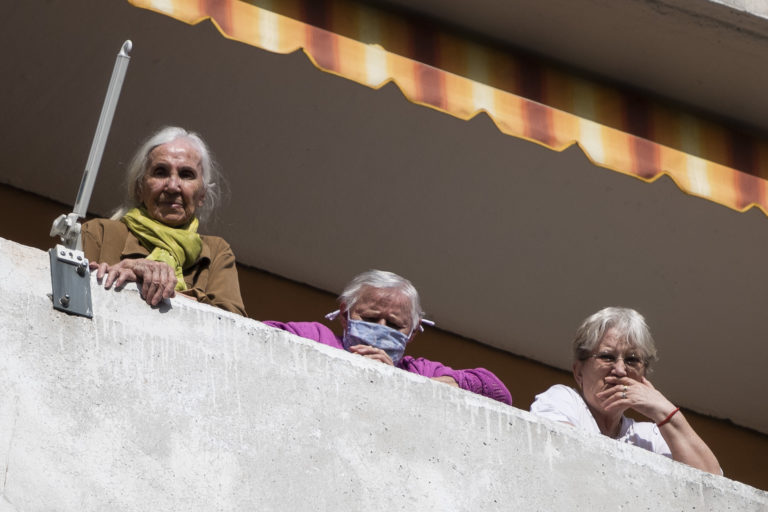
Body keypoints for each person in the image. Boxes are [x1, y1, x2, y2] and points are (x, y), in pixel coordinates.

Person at [263, 270, 512, 405]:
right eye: (371, 319)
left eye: (394, 324)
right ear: (344, 315)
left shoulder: (418, 369)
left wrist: (403, 382)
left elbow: (499, 393)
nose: (381, 329)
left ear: (412, 333)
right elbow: (259, 338)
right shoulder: (314, 336)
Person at [530, 307, 719, 474]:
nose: (620, 370)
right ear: (579, 372)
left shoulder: (649, 436)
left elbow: (713, 482)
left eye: (632, 360)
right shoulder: (563, 400)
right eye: (607, 356)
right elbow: (565, 458)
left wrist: (664, 410)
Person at [83, 126, 246, 316]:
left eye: (186, 175)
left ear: (201, 194)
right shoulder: (100, 233)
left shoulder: (217, 252)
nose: (172, 186)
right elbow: (74, 289)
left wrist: (147, 284)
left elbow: (232, 321)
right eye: (160, 172)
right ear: (139, 188)